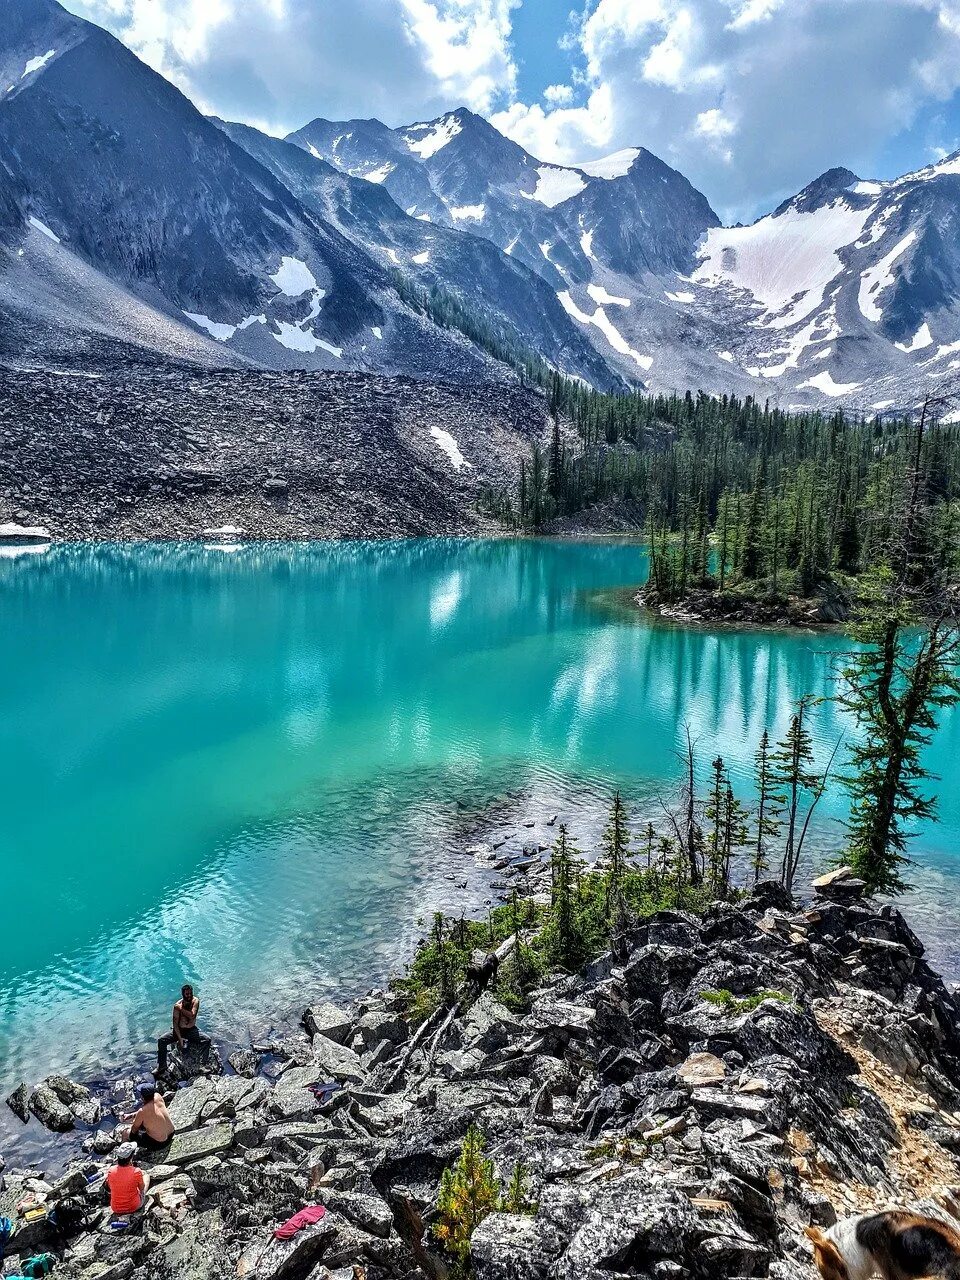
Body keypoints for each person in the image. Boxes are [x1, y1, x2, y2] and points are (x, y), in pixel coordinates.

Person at [156, 983, 211, 1075]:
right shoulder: (177, 1005)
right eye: (187, 994)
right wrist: (180, 1039)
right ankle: (162, 1065)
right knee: (161, 1040)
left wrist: (181, 1009)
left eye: (190, 993)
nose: (189, 996)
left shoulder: (195, 1001)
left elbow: (192, 1015)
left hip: (191, 1030)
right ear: (183, 994)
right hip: (179, 1031)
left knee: (207, 1039)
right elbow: (175, 1024)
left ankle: (202, 1065)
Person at [124, 1083, 174, 1152]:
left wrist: (131, 1136)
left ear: (142, 1097)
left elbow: (134, 1130)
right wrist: (132, 1115)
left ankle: (126, 1155)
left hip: (161, 1143)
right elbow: (151, 1111)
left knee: (126, 1132)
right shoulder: (158, 1096)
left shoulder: (142, 1111)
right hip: (171, 1133)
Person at [106, 1143, 148, 1216]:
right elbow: (142, 1187)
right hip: (133, 1206)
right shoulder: (136, 1171)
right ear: (131, 1157)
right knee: (146, 1175)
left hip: (116, 1208)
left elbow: (110, 1187)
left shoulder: (111, 1170)